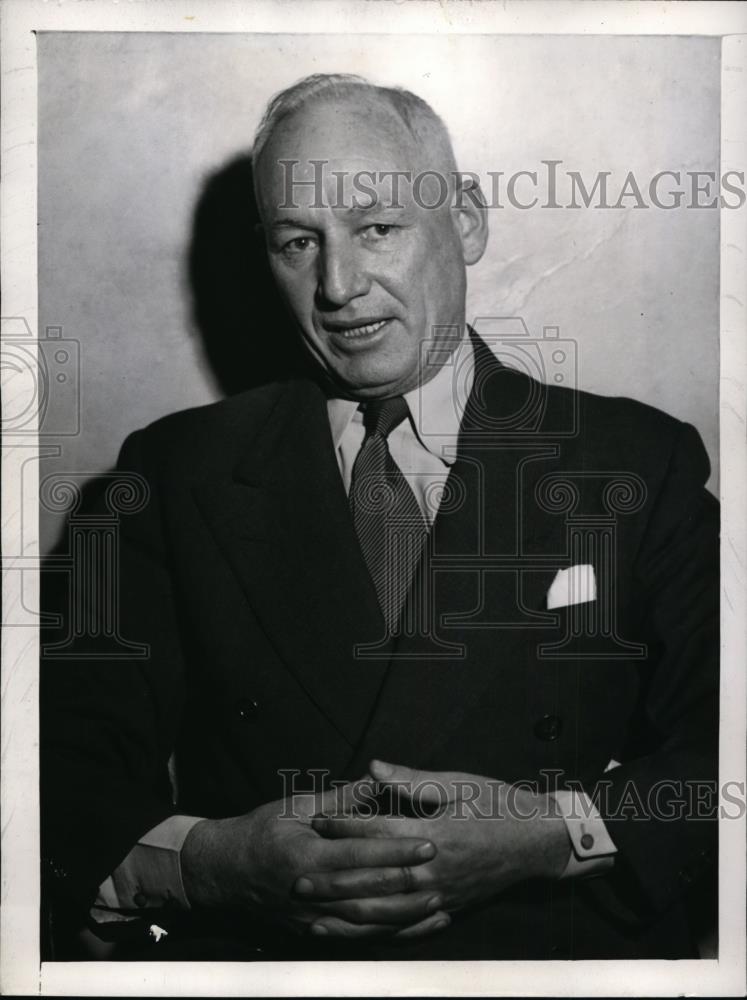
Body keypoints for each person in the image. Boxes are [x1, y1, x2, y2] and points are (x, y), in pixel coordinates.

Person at [41, 73, 719, 961]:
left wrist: (554, 834)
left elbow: (725, 751)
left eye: (376, 228)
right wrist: (207, 866)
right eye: (297, 242)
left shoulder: (634, 462)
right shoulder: (174, 474)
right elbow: (60, 766)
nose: (338, 285)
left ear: (466, 222)